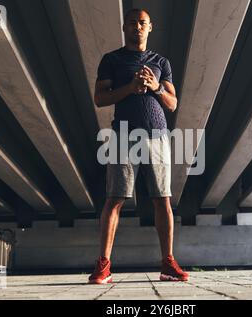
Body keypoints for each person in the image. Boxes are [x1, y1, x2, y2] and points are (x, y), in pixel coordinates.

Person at [88, 8, 189, 284]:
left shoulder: (161, 62)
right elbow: (100, 98)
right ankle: (103, 265)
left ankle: (167, 264)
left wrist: (156, 87)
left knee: (162, 199)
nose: (137, 27)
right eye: (132, 23)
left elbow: (172, 103)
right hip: (124, 134)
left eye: (142, 23)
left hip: (158, 135)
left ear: (150, 27)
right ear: (125, 27)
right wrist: (130, 87)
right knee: (115, 198)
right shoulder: (112, 59)